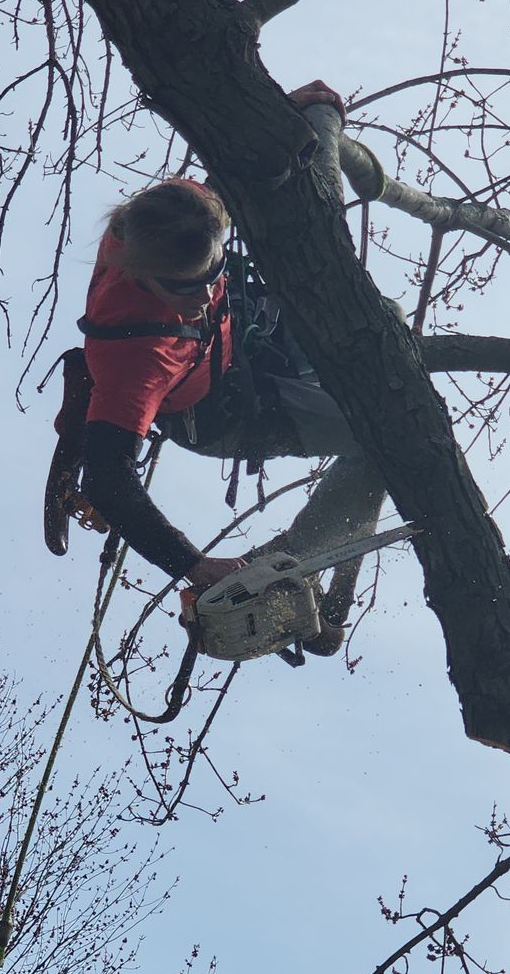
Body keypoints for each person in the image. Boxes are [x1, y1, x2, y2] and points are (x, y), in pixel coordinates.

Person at [44, 86, 387, 647]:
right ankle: (283, 565)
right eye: (185, 288)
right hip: (221, 412)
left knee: (384, 320)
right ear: (146, 276)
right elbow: (108, 480)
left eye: (210, 274)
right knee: (379, 436)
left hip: (246, 338)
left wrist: (287, 115)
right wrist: (194, 566)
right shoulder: (139, 357)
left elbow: (231, 170)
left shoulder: (183, 207)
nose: (202, 295)